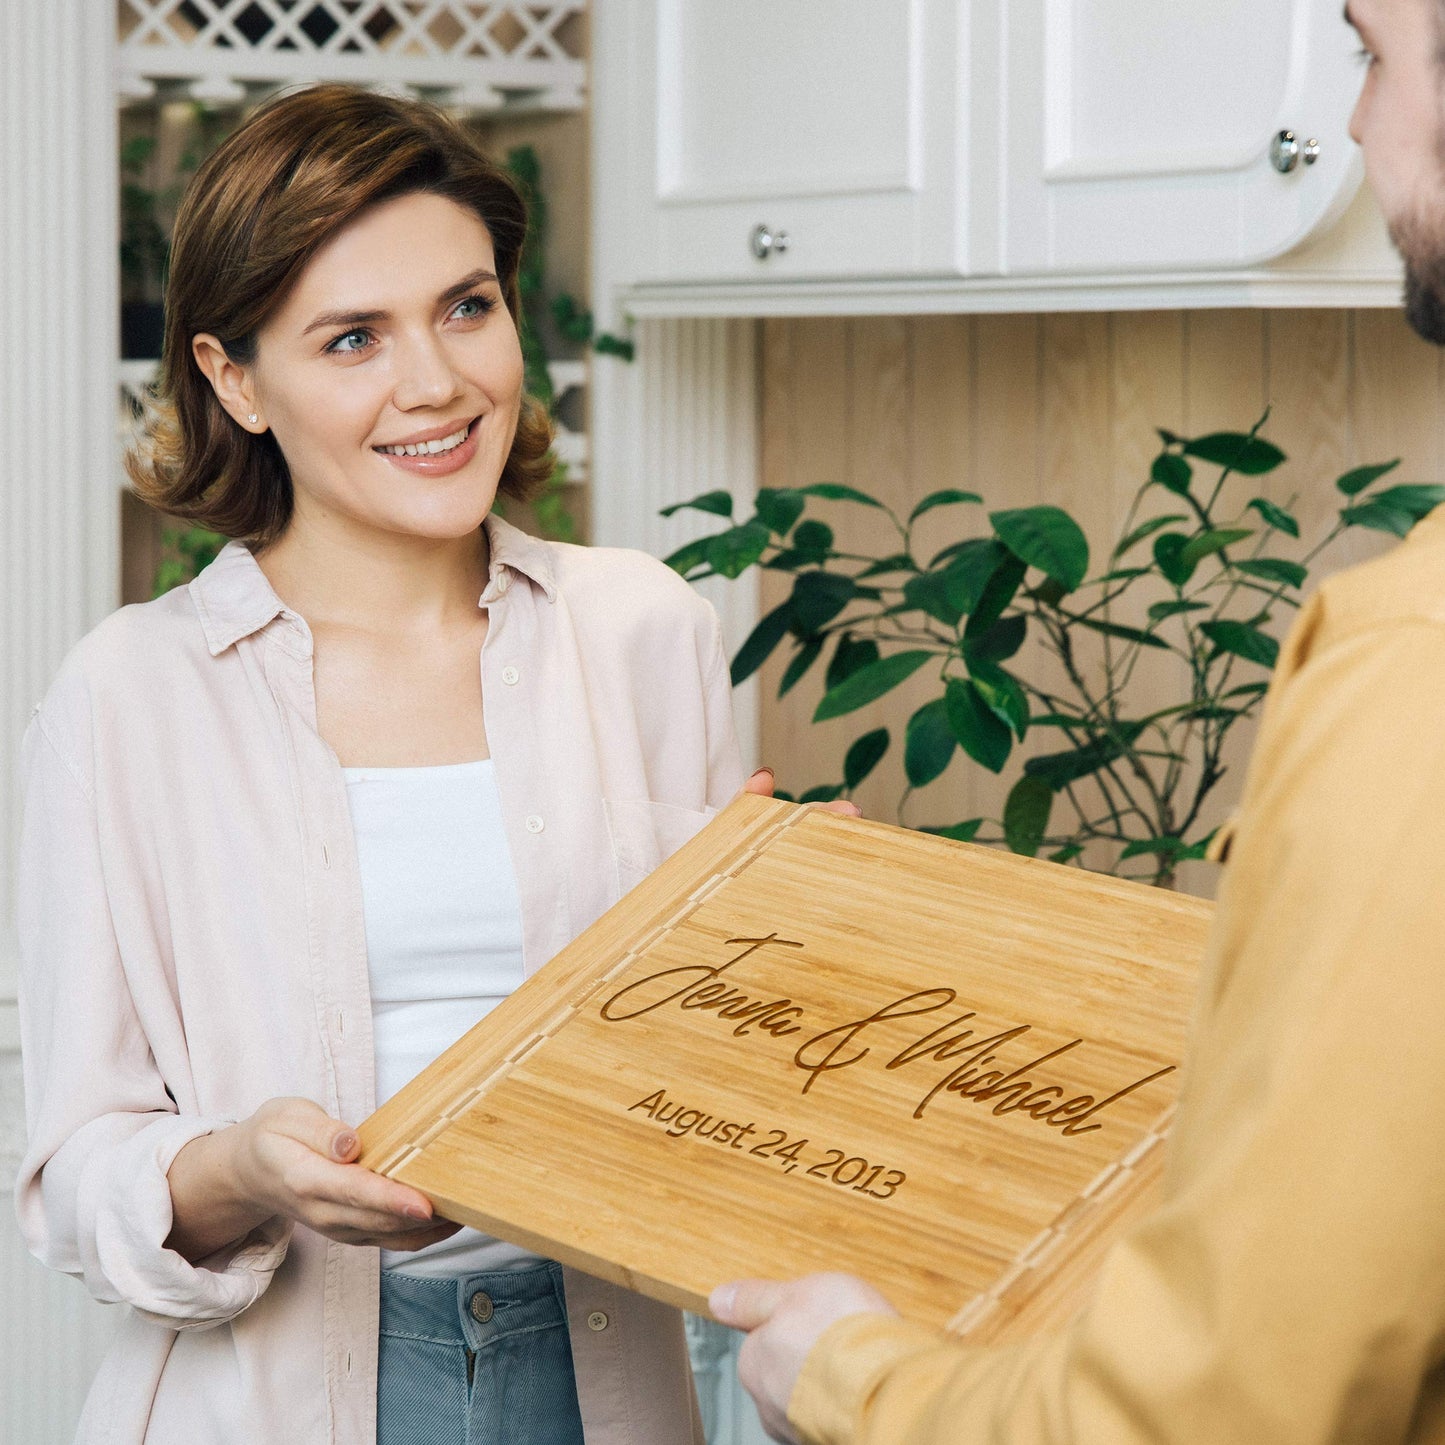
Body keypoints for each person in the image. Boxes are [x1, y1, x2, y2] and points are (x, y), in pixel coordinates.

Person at [711, 2, 1445, 1441]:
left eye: (1374, 52)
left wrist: (854, 1373)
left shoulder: (1412, 668)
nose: (1351, 122)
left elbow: (1223, 1410)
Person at [14, 83, 751, 1444]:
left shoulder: (645, 630)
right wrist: (242, 1167)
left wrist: (783, 950)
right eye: (352, 337)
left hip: (606, 1376)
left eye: (466, 306)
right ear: (234, 377)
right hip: (265, 1393)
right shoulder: (130, 695)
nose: (437, 382)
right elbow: (70, 1177)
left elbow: (706, 1086)